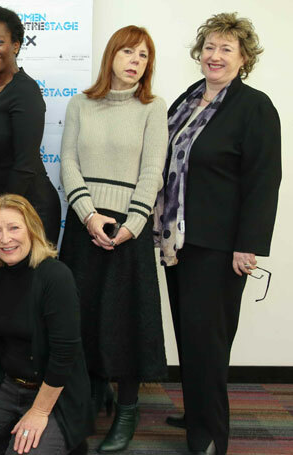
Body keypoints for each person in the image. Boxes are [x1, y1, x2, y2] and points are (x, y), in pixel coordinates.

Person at [154, 13, 281, 455]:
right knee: (190, 336)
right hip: (179, 244)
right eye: (210, 47)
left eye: (227, 49)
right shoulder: (189, 100)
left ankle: (210, 436)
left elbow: (264, 180)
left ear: (244, 58)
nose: (215, 55)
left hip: (220, 245)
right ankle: (196, 412)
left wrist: (249, 245)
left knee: (209, 341)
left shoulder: (255, 106)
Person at [59, 25, 168, 453]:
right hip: (86, 223)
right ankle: (86, 399)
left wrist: (132, 224)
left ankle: (126, 408)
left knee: (127, 322)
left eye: (143, 56)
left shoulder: (152, 107)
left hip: (129, 229)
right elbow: (68, 161)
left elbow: (152, 170)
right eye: (128, 52)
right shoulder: (81, 103)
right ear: (111, 57)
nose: (135, 61)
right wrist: (87, 214)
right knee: (80, 316)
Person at [0, 194, 92, 455]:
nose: (5, 239)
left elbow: (64, 354)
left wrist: (39, 411)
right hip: (9, 387)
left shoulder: (56, 276)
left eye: (14, 228)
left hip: (54, 395)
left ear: (32, 230)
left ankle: (65, 439)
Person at [0, 6, 60, 243]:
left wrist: (2, 215)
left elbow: (25, 163)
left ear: (16, 45)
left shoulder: (24, 90)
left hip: (26, 210)